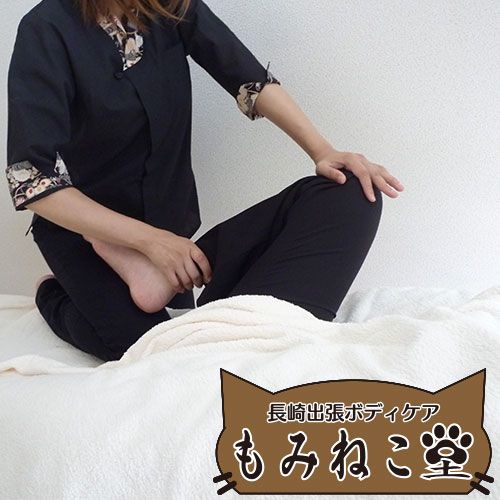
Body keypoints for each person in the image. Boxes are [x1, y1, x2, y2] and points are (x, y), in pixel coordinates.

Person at [5, 0, 404, 362]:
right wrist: (150, 242)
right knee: (153, 350)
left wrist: (323, 151)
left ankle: (238, 326)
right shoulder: (47, 28)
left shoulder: (172, 6)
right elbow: (31, 181)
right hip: (89, 237)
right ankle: (52, 294)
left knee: (354, 193)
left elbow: (249, 79)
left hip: (171, 241)